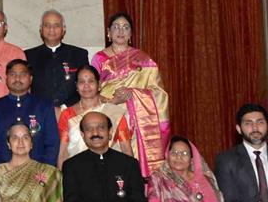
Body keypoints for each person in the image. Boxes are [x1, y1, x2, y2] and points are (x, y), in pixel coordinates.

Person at [92, 13, 169, 174]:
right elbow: (92, 91)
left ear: (130, 34)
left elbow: (159, 92)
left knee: (133, 166)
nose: (121, 30)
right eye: (116, 27)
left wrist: (133, 93)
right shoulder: (99, 59)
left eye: (125, 27)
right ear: (108, 32)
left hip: (139, 121)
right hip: (109, 114)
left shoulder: (143, 59)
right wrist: (114, 100)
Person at [0, 59, 59, 168]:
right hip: (3, 173)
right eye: (13, 74)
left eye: (22, 74)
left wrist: (44, 171)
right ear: (6, 78)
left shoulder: (44, 107)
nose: (17, 78)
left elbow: (52, 143)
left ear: (30, 79)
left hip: (38, 172)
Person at [57, 65, 130, 168]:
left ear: (99, 84)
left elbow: (126, 149)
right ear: (76, 86)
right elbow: (63, 153)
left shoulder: (113, 112)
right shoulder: (67, 114)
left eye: (91, 81)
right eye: (82, 82)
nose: (86, 86)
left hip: (111, 170)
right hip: (79, 171)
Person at [25, 10, 89, 109]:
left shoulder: (79, 54)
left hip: (73, 110)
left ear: (63, 29)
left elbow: (85, 85)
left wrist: (64, 107)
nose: (51, 29)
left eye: (56, 25)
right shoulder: (28, 56)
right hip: (39, 111)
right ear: (41, 29)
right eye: (47, 25)